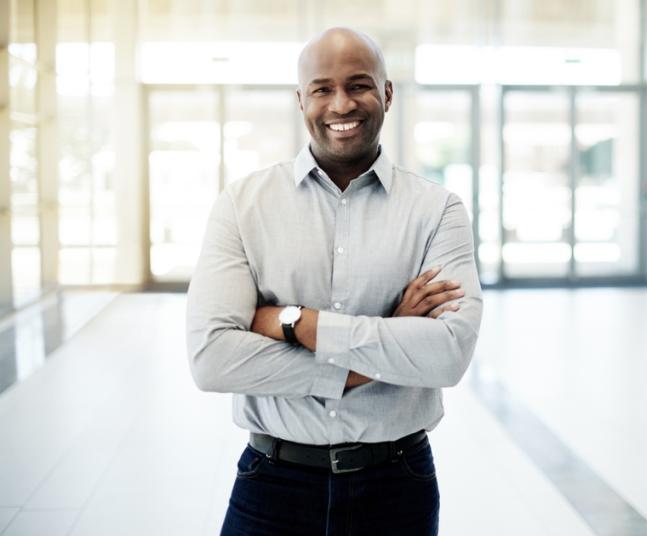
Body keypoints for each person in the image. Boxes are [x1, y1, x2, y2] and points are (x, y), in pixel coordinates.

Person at [186, 27, 483, 536]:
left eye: (359, 84)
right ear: (301, 100)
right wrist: (383, 343)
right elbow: (212, 359)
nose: (341, 103)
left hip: (398, 485)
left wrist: (296, 323)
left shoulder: (438, 211)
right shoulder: (243, 205)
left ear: (386, 93)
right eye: (322, 88)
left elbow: (448, 355)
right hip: (271, 484)